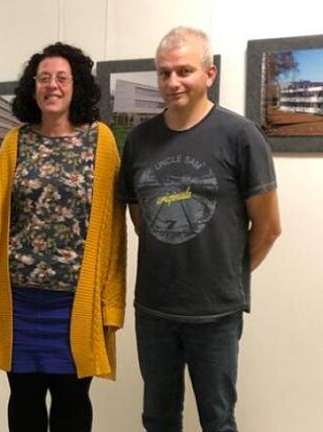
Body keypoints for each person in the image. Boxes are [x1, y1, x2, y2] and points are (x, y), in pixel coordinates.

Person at [119, 27, 281, 432]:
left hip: (216, 313)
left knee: (218, 419)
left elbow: (269, 226)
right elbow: (141, 217)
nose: (172, 82)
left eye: (184, 71)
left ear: (209, 74)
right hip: (154, 308)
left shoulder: (240, 136)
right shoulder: (139, 140)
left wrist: (228, 272)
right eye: (164, 73)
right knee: (157, 417)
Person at [0, 42, 127, 432]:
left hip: (77, 303)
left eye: (61, 78)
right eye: (43, 78)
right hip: (19, 301)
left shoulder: (101, 141)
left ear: (77, 86)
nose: (52, 86)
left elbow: (114, 232)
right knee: (23, 401)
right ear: (32, 88)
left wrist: (111, 304)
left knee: (73, 402)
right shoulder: (15, 141)